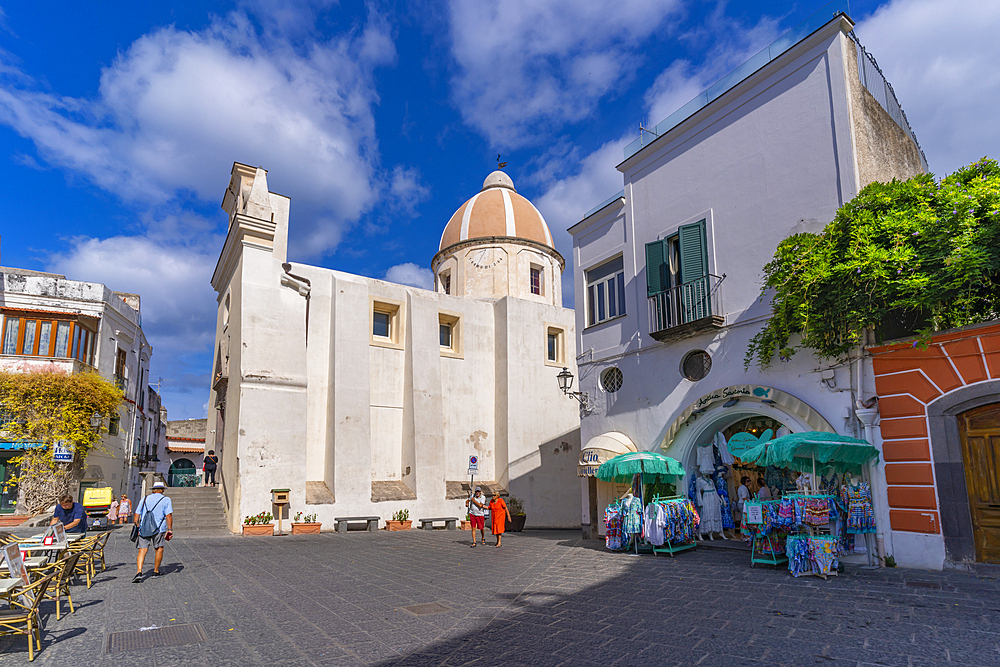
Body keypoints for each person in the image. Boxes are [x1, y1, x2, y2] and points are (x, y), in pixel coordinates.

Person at [133, 482, 173, 583]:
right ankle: (156, 571)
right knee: (159, 548)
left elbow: (137, 514)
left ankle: (139, 572)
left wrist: (137, 527)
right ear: (162, 490)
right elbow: (168, 515)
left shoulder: (145, 498)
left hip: (144, 528)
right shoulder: (166, 499)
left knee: (142, 550)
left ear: (153, 490)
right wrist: (170, 529)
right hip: (159, 528)